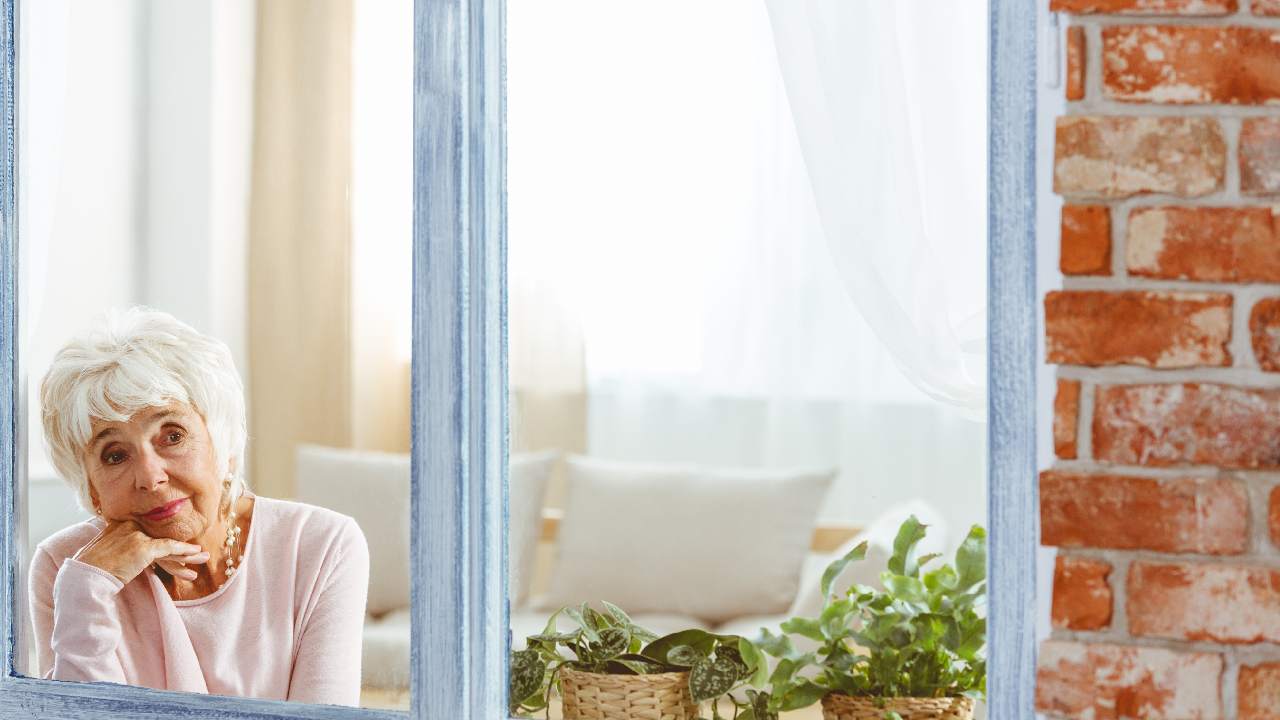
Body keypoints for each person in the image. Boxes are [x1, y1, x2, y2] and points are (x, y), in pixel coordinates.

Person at [28, 306, 370, 706]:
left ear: (221, 442)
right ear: (92, 487)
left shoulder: (321, 545)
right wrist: (88, 589)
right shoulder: (66, 567)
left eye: (172, 435)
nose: (150, 476)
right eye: (115, 455)